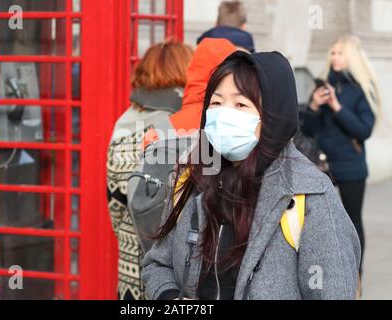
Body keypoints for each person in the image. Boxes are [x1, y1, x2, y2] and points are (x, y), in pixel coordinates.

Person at [141, 50, 361, 300]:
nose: (224, 113)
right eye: (216, 103)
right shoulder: (191, 178)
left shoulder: (310, 194)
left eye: (240, 104)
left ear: (272, 115)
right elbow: (158, 264)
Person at [106, 39, 193, 300]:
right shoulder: (178, 128)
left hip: (130, 271)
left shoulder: (124, 123)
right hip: (169, 274)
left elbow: (116, 207)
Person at [301, 35, 381, 276]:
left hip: (351, 166)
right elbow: (308, 131)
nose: (335, 57)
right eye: (332, 53)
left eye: (340, 53)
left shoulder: (361, 90)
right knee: (320, 222)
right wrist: (314, 106)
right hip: (324, 166)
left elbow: (364, 130)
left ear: (351, 58)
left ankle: (355, 273)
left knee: (353, 221)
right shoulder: (323, 85)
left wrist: (337, 108)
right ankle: (327, 270)